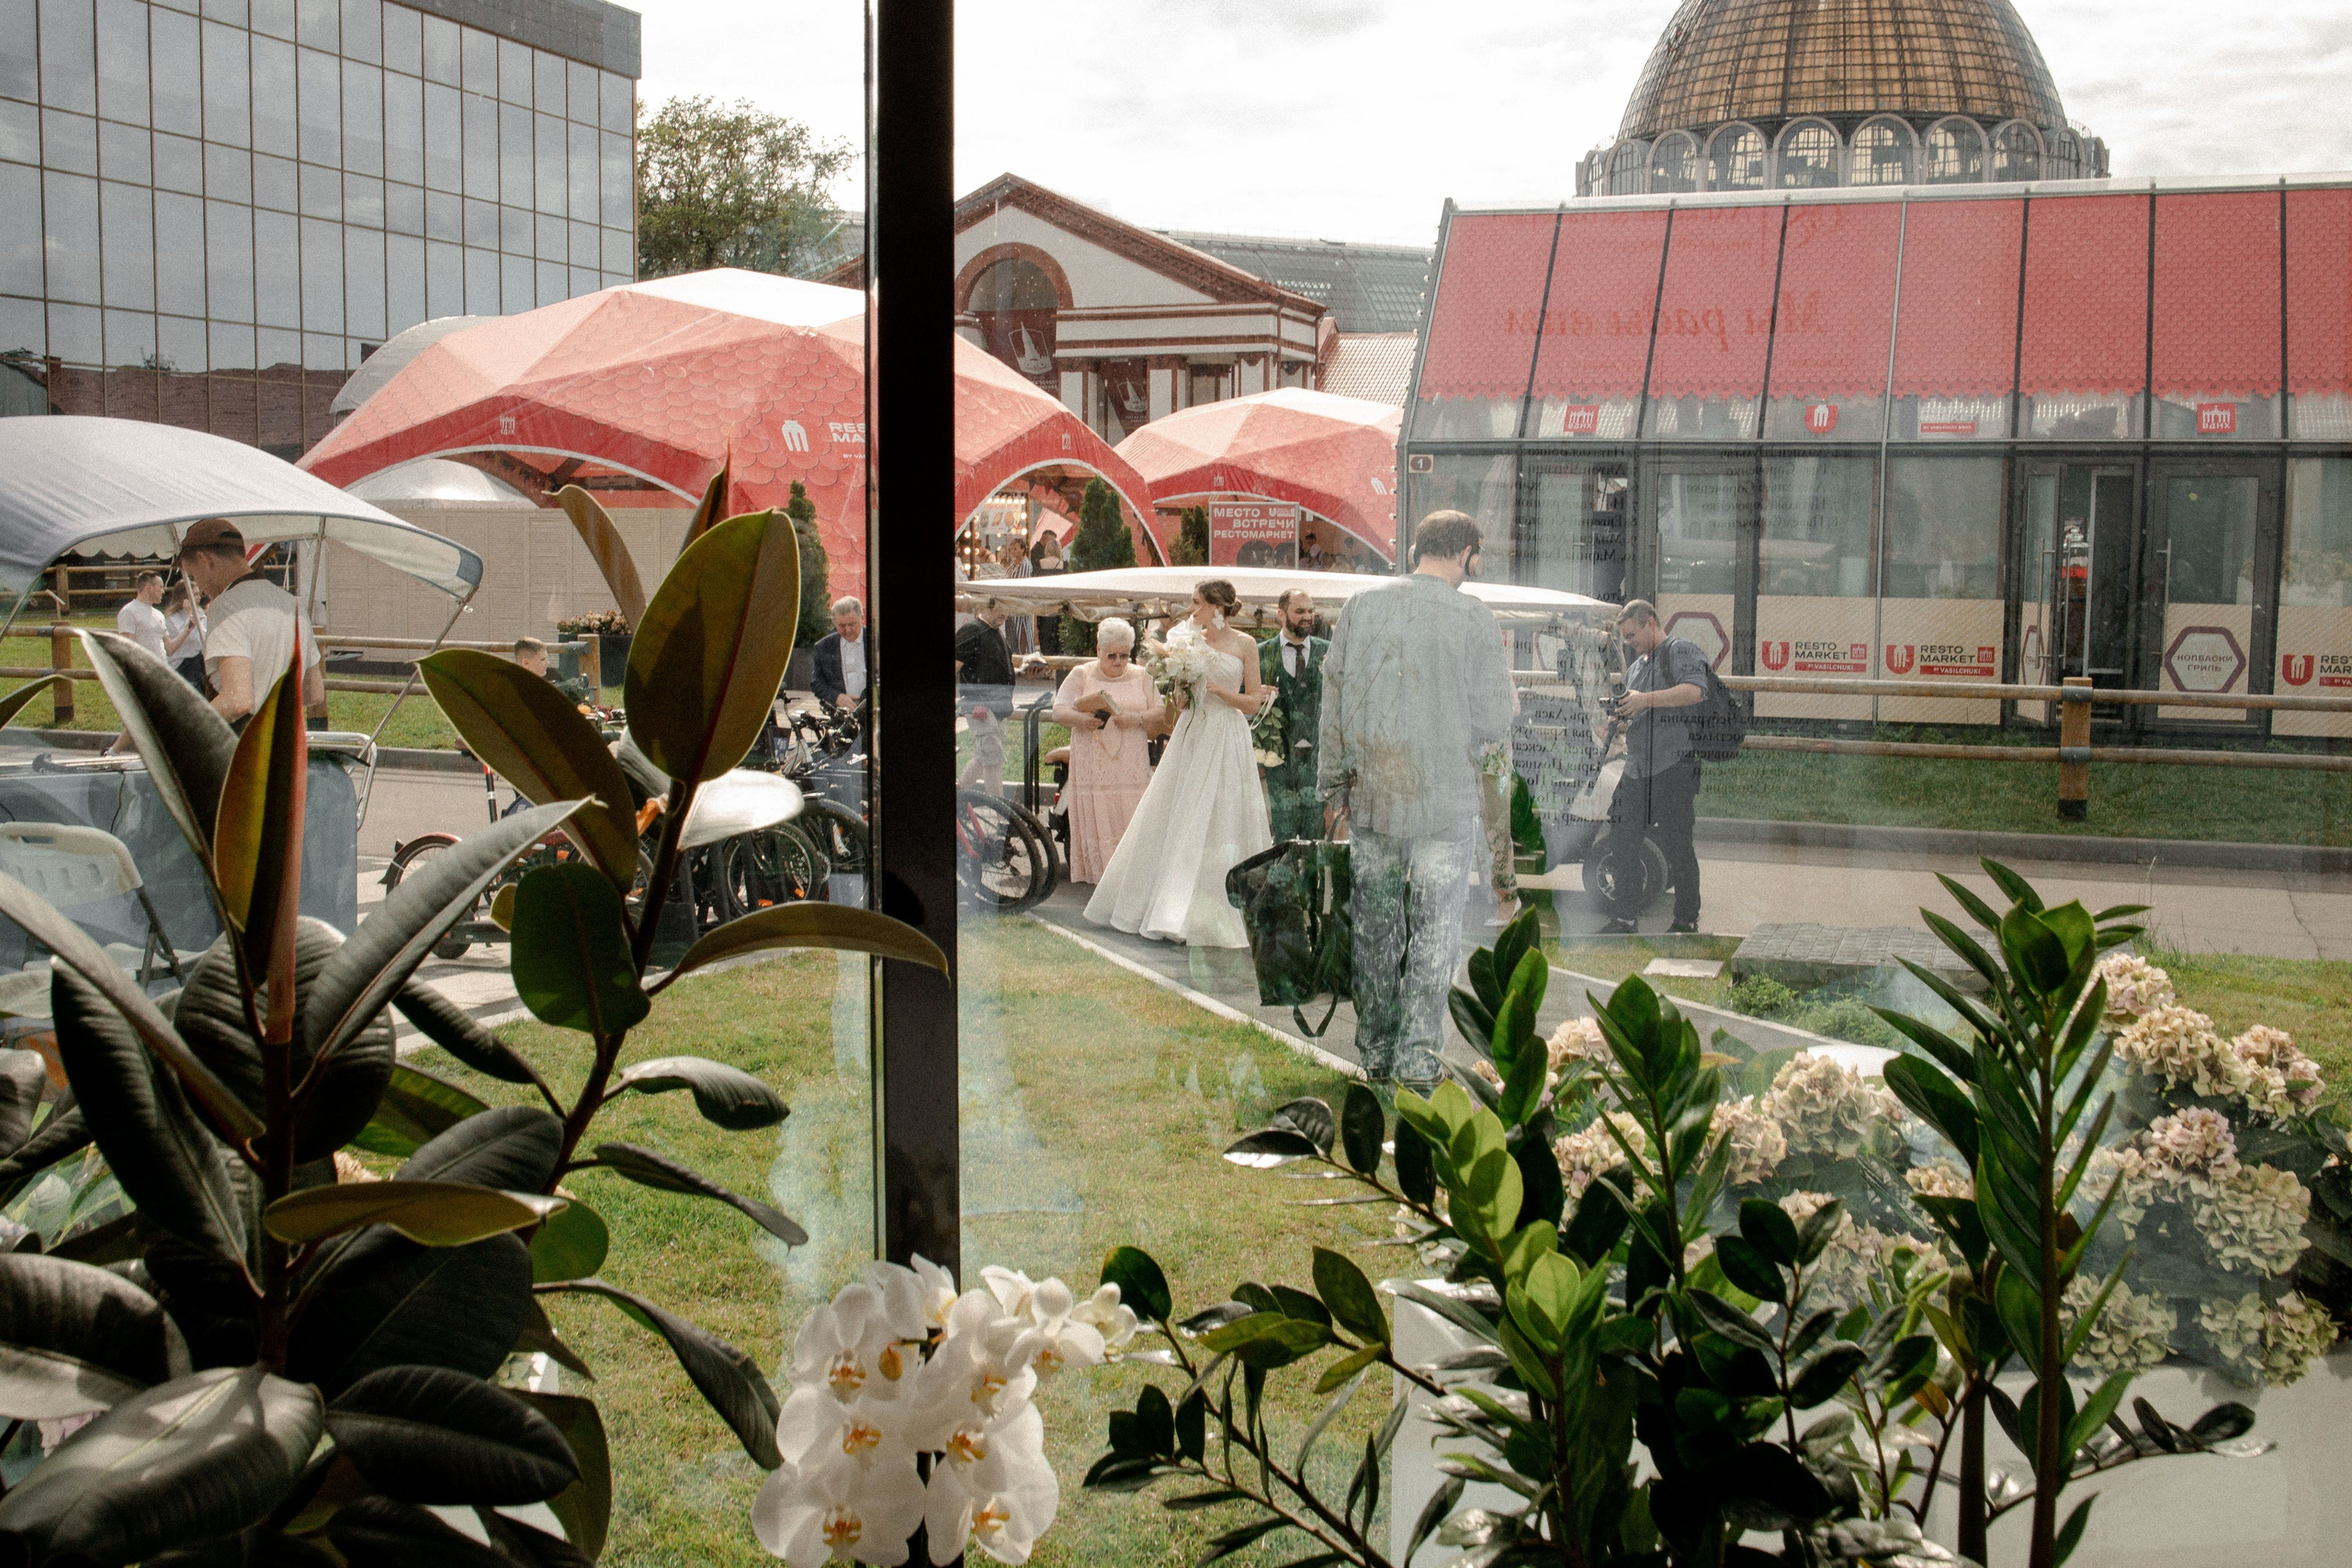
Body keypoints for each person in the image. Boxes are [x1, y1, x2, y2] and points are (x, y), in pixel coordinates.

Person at [1317, 511, 1515, 1091]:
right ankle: (1418, 1059)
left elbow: (1333, 701)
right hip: (1446, 799)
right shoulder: (1474, 616)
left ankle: (1376, 1050)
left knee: (1375, 929)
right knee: (1435, 932)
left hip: (1373, 794)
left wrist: (1332, 787)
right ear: (1468, 553)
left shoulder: (1360, 606)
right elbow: (1494, 718)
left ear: (1416, 550)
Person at [1086, 580, 1274, 946]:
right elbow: (1180, 705)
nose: (1191, 609)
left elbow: (1254, 702)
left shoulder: (1244, 644)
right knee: (1180, 813)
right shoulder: (1187, 641)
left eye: (1196, 602)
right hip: (1193, 732)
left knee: (1225, 816)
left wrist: (1222, 692)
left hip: (1227, 733)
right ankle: (1169, 908)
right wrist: (1180, 682)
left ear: (1217, 606)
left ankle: (1219, 909)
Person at [1605, 600, 1707, 934]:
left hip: (1673, 765)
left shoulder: (1680, 651)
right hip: (1638, 767)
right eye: (1624, 638)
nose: (1629, 643)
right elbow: (1638, 712)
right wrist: (1621, 718)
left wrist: (1644, 700)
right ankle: (1624, 917)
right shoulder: (1636, 669)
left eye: (1632, 635)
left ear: (1650, 622)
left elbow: (1695, 691)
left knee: (1678, 844)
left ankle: (1686, 919)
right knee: (1621, 839)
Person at [178, 517, 323, 728]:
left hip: (243, 741)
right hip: (284, 738)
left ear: (204, 560)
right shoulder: (292, 604)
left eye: (194, 575)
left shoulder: (226, 606)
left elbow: (237, 701)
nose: (198, 586)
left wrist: (180, 726)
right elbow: (314, 692)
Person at [1049, 617, 1161, 884]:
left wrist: (1136, 719)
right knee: (1100, 819)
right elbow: (1059, 710)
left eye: (1124, 655)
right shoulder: (1082, 673)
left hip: (1130, 767)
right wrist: (1082, 720)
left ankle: (1131, 881)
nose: (1118, 662)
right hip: (1094, 767)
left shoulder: (1142, 675)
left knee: (1132, 818)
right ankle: (1102, 883)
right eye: (1111, 655)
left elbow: (1160, 710)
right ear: (1098, 649)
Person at [1257, 588, 1328, 840]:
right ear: (1281, 614)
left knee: (1316, 837)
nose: (1308, 617)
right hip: (1277, 763)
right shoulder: (1260, 652)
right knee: (1282, 838)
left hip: (1318, 761)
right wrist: (1257, 694)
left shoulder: (1330, 652)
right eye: (1300, 611)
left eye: (1311, 611)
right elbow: (1244, 704)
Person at [954, 604, 1014, 796]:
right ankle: (999, 807)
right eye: (1001, 608)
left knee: (984, 756)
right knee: (992, 758)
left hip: (998, 707)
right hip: (979, 706)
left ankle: (959, 791)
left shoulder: (997, 633)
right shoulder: (972, 629)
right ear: (987, 606)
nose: (1005, 614)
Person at [811, 596, 871, 715]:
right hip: (841, 715)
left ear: (862, 618)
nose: (848, 630)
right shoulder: (823, 647)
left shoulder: (875, 639)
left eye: (852, 624)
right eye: (842, 626)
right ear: (834, 623)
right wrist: (837, 697)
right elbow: (816, 683)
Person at [162, 581, 206, 689]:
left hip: (196, 660)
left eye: (198, 594)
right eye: (195, 594)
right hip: (181, 663)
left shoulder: (200, 612)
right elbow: (191, 637)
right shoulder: (172, 617)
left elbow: (203, 636)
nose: (199, 597)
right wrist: (190, 614)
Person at [1030, 533, 1065, 657]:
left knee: (1044, 635)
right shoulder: (1064, 565)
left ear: (1047, 550)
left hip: (1043, 604)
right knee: (1058, 636)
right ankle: (1057, 660)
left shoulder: (1037, 565)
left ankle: (1047, 659)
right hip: (1060, 605)